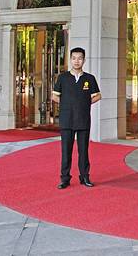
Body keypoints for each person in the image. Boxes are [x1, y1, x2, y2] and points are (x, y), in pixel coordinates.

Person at [52, 47, 101, 189]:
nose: (76, 61)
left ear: (84, 60)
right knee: (66, 151)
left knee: (83, 151)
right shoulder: (63, 78)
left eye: (79, 58)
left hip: (83, 119)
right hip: (66, 119)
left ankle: (84, 177)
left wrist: (84, 103)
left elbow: (98, 95)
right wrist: (67, 104)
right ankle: (65, 179)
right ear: (70, 60)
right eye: (74, 58)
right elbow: (54, 96)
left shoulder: (89, 78)